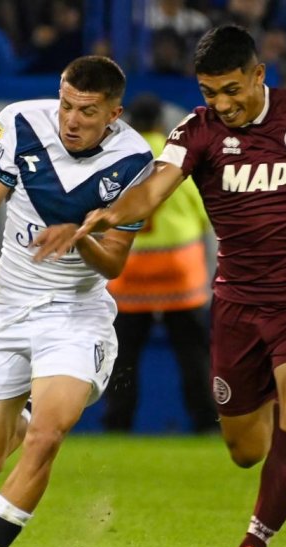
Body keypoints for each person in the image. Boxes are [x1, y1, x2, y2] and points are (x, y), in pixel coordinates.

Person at [43, 25, 286, 547]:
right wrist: (110, 213)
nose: (222, 104)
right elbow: (157, 187)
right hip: (238, 306)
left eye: (232, 90)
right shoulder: (198, 130)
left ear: (259, 75)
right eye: (210, 92)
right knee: (246, 450)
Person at [0, 55, 153, 547]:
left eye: (87, 111)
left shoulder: (134, 160)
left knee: (49, 436)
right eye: (67, 104)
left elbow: (117, 262)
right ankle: (30, 416)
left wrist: (81, 236)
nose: (71, 119)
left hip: (75, 315)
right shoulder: (19, 123)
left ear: (114, 114)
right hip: (7, 306)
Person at [101, 93, 217, 434]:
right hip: (180, 275)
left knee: (123, 359)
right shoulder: (176, 159)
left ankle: (117, 425)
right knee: (193, 356)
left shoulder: (120, 160)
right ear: (161, 123)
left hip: (130, 274)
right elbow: (203, 216)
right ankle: (206, 424)